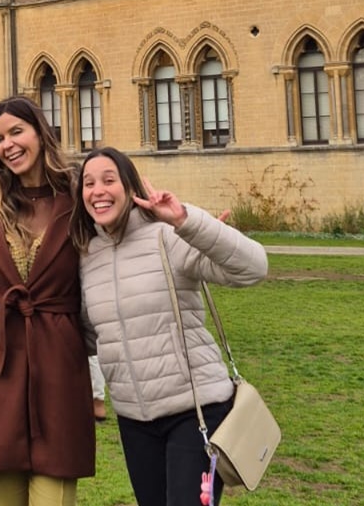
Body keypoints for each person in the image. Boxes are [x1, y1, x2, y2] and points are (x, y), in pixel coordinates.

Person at [70, 147, 268, 506]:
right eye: (88, 183)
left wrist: (186, 221)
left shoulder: (168, 237)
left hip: (194, 412)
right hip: (134, 418)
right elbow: (89, 334)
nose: (97, 191)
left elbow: (253, 268)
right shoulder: (87, 258)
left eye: (108, 180)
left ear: (130, 187)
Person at [0, 96, 94, 505]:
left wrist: (183, 228)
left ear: (41, 132)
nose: (8, 145)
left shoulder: (77, 199)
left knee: (54, 492)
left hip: (58, 361)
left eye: (17, 132)